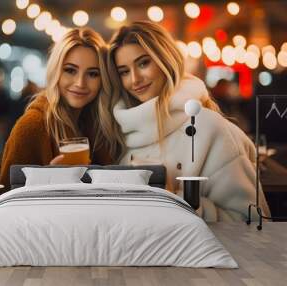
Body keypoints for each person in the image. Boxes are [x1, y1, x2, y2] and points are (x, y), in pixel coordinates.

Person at [107, 21, 270, 222]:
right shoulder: (124, 132)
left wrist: (175, 202)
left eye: (143, 63)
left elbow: (253, 223)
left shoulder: (210, 128)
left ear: (165, 60)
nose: (134, 79)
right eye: (124, 71)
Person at [0, 28, 122, 190]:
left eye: (92, 74)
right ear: (55, 71)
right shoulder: (32, 126)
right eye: (70, 70)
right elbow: (2, 204)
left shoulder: (97, 124)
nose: (80, 83)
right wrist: (47, 184)